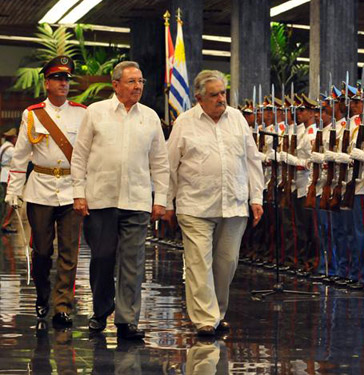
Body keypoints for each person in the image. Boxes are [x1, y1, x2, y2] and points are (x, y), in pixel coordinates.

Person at [71, 60, 169, 340]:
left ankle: (127, 320)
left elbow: (160, 162)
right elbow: (79, 156)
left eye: (140, 82)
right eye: (131, 81)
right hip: (100, 200)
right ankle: (101, 312)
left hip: (137, 202)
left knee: (133, 262)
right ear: (115, 85)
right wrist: (79, 193)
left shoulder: (149, 117)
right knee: (102, 259)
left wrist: (160, 198)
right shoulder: (95, 112)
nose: (138, 86)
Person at [164, 70, 264, 337]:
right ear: (199, 98)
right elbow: (169, 166)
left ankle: (217, 314)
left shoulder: (238, 119)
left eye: (223, 93)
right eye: (215, 94)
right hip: (195, 206)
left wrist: (256, 198)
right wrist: (166, 203)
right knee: (198, 263)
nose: (221, 99)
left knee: (227, 262)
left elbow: (252, 160)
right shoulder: (184, 123)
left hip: (233, 204)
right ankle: (204, 319)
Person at [5, 56, 86, 328]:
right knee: (41, 250)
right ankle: (42, 294)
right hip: (39, 189)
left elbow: (87, 155)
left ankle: (62, 306)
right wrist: (13, 192)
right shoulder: (32, 113)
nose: (64, 83)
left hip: (72, 189)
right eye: (58, 78)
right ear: (47, 82)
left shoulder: (82, 113)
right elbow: (20, 157)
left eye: (66, 79)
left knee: (69, 251)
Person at [0, 128, 18, 232]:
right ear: (13, 138)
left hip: (3, 174)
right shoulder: (11, 149)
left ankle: (4, 222)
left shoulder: (3, 147)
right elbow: (19, 159)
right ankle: (6, 223)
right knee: (10, 201)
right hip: (8, 175)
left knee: (4, 201)